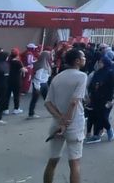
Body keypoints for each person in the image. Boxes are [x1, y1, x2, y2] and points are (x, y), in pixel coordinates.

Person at [42, 48, 87, 183]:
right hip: (74, 124)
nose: (85, 59)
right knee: (75, 164)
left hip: (56, 124)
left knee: (53, 160)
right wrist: (65, 122)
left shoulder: (57, 77)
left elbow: (48, 103)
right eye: (83, 56)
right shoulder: (81, 76)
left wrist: (60, 118)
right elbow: (74, 102)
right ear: (77, 61)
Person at [84, 56, 114, 143]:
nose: (99, 64)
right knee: (97, 116)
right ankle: (96, 135)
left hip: (106, 98)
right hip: (95, 98)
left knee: (103, 116)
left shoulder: (110, 72)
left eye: (101, 62)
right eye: (99, 62)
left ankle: (109, 130)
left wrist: (109, 100)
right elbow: (92, 85)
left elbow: (113, 86)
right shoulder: (97, 72)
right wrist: (90, 95)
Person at [28, 51, 52, 119]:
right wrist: (37, 87)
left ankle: (52, 111)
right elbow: (37, 77)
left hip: (44, 83)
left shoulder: (46, 64)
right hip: (39, 84)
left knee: (47, 99)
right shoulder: (41, 65)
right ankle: (31, 113)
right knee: (35, 99)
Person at [7, 48, 26, 115]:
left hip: (8, 79)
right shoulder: (18, 62)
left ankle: (5, 109)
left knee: (7, 95)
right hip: (17, 80)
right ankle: (16, 108)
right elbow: (23, 70)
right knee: (16, 95)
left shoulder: (8, 61)